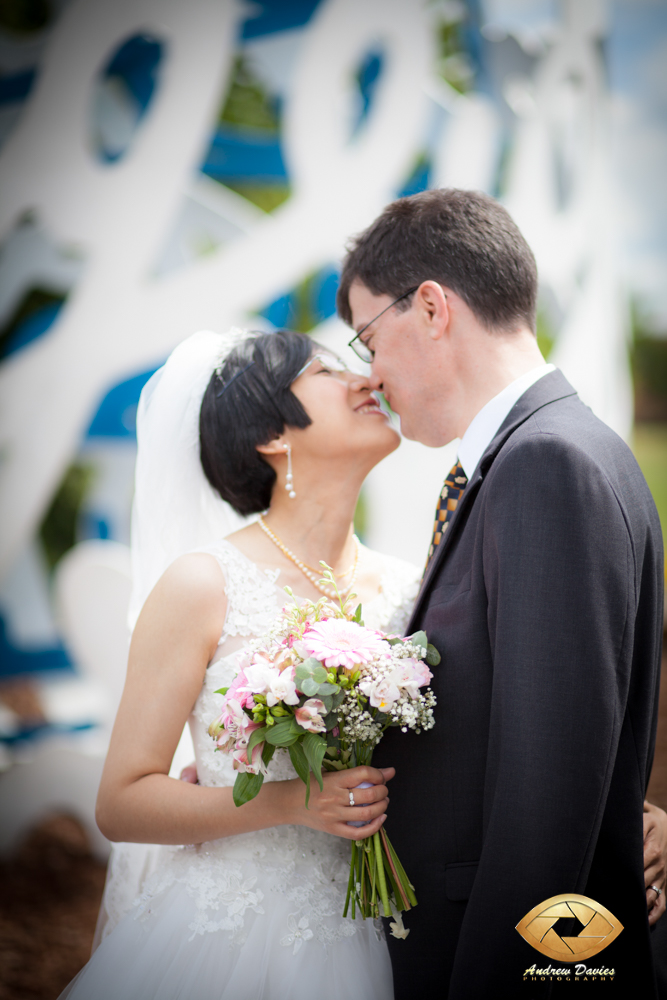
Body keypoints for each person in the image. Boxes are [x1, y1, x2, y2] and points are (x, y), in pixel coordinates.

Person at [337, 188, 665, 996]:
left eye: (366, 337)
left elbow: (545, 799)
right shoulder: (555, 449)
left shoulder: (544, 465)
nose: (370, 373)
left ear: (431, 307)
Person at [59, 328, 421, 1000]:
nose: (366, 380)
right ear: (272, 437)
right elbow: (123, 803)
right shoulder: (203, 585)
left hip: (390, 925)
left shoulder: (411, 587)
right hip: (233, 941)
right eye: (325, 372)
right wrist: (292, 800)